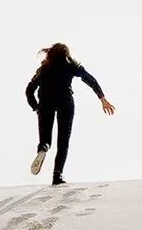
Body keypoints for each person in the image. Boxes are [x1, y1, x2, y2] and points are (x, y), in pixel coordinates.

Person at [25, 43, 115, 185]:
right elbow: (88, 78)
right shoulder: (70, 64)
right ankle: (57, 175)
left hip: (45, 104)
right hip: (65, 103)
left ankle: (43, 148)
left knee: (45, 139)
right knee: (63, 142)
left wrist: (35, 107)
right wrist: (102, 98)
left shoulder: (44, 68)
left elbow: (29, 90)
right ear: (66, 54)